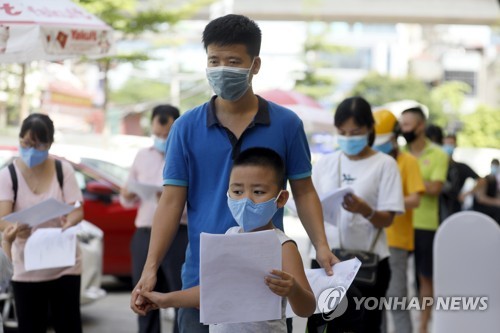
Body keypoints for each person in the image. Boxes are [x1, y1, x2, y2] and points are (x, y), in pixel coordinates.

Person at [130, 14, 337, 333]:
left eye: (233, 60)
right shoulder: (186, 127)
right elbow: (171, 202)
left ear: (255, 65)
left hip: (265, 280)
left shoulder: (286, 124)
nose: (222, 68)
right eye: (214, 60)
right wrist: (150, 269)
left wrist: (321, 246)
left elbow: (304, 190)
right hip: (201, 280)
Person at [139, 147, 316, 332]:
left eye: (258, 192)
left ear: (281, 199)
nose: (246, 200)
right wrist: (163, 300)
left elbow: (307, 308)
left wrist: (293, 290)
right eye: (237, 191)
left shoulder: (283, 246)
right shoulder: (230, 236)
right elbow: (211, 291)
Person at [307, 97, 405, 333]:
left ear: (370, 128)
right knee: (323, 325)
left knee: (366, 325)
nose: (348, 138)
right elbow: (310, 206)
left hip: (369, 264)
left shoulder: (385, 164)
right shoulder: (326, 163)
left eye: (355, 132)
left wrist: (365, 210)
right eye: (342, 132)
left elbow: (388, 218)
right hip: (326, 260)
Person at [0, 113, 84, 333]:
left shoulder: (61, 169)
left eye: (38, 145)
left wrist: (69, 222)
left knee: (69, 325)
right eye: (26, 143)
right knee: (30, 326)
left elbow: (77, 210)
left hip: (64, 264)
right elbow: (2, 219)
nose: (31, 150)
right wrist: (16, 230)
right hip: (26, 267)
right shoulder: (8, 175)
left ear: (49, 144)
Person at [120, 105, 187, 333]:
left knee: (181, 295)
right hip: (145, 233)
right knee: (143, 295)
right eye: (157, 134)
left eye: (166, 135)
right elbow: (126, 197)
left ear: (177, 129)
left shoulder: (187, 154)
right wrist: (129, 193)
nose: (161, 139)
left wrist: (169, 199)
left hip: (179, 233)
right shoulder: (142, 156)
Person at [373, 109, 425, 333]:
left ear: (395, 137)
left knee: (396, 301)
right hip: (369, 242)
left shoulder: (408, 162)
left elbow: (415, 199)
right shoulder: (374, 162)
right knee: (373, 305)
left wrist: (388, 201)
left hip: (396, 242)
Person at [399, 107, 449, 333]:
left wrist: (411, 183)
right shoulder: (398, 153)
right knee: (395, 278)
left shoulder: (438, 154)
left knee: (426, 279)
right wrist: (421, 185)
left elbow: (436, 188)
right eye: (401, 125)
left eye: (407, 125)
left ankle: (422, 328)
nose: (403, 129)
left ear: (420, 126)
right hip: (399, 224)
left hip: (426, 225)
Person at [439, 134, 479, 221]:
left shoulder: (460, 167)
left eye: (451, 144)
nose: (449, 146)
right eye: (447, 143)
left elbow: (481, 180)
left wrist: (466, 194)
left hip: (454, 208)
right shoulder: (436, 165)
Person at [472, 158, 500, 223]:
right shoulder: (484, 180)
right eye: (494, 166)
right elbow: (481, 199)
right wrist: (496, 202)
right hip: (480, 207)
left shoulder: (495, 181)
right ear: (491, 166)